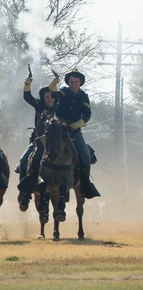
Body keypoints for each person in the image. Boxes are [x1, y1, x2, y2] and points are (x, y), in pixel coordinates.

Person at [52, 70, 100, 198]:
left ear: (80, 83)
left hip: (74, 130)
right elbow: (53, 94)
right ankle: (33, 174)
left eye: (76, 82)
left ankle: (85, 184)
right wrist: (54, 83)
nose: (74, 84)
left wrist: (79, 123)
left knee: (85, 155)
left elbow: (87, 113)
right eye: (71, 82)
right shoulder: (63, 91)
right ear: (68, 82)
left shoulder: (84, 96)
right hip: (58, 128)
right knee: (42, 146)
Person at [16, 74, 61, 195]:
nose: (49, 99)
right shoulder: (39, 104)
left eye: (51, 97)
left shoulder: (60, 107)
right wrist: (27, 84)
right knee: (23, 160)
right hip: (38, 140)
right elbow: (27, 96)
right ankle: (23, 193)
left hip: (56, 142)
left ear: (55, 98)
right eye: (46, 96)